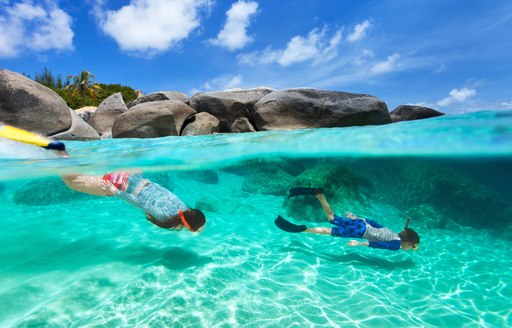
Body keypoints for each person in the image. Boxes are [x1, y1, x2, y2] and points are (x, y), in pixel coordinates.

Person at [278, 188, 420, 251]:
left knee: (331, 218)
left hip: (361, 224)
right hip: (360, 231)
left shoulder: (392, 232)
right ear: (407, 242)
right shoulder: (395, 245)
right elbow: (377, 244)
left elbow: (373, 223)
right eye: (412, 246)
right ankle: (303, 229)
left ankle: (318, 194)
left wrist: (356, 217)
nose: (410, 248)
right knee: (330, 231)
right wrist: (358, 243)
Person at [61, 171, 206, 232]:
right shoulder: (165, 217)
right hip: (120, 184)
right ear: (188, 226)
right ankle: (57, 158)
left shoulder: (182, 206)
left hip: (133, 175)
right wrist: (115, 192)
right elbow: (140, 203)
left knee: (90, 175)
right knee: (73, 182)